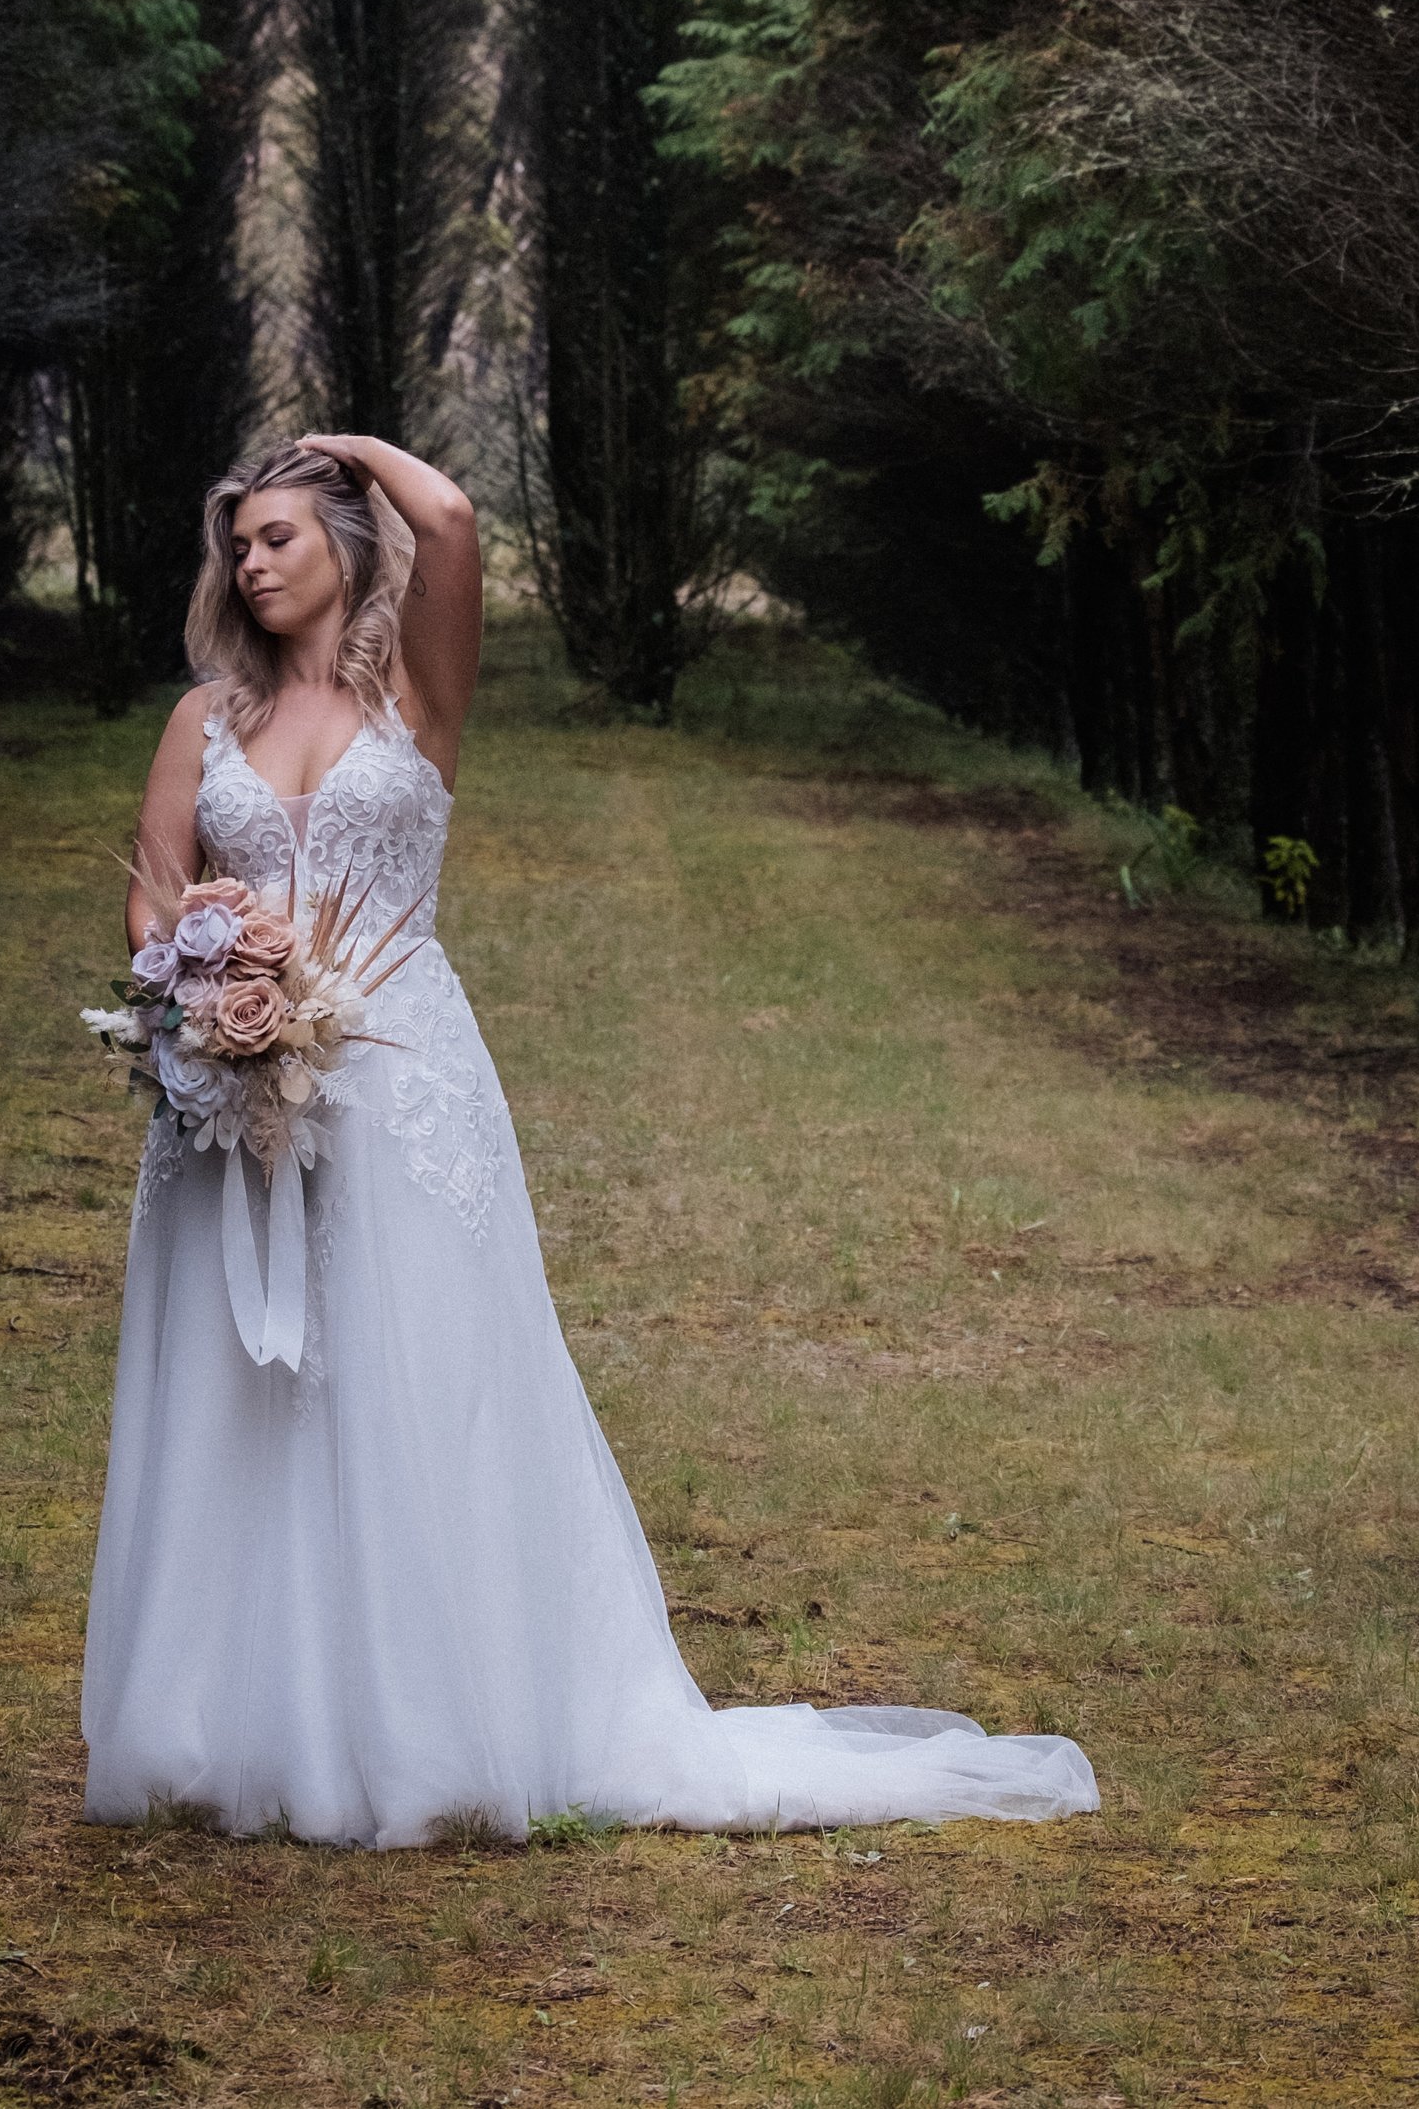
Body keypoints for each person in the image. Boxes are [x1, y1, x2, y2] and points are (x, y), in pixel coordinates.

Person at [80, 434, 1098, 1847]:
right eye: (237, 545)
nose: (249, 564)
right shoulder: (203, 718)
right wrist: (194, 988)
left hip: (400, 1086)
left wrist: (347, 449)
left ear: (346, 545)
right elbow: (154, 885)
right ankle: (233, 1723)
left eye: (277, 536)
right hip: (230, 1097)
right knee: (242, 1392)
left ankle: (429, 1725)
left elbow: (448, 512)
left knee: (410, 1374)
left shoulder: (416, 692)